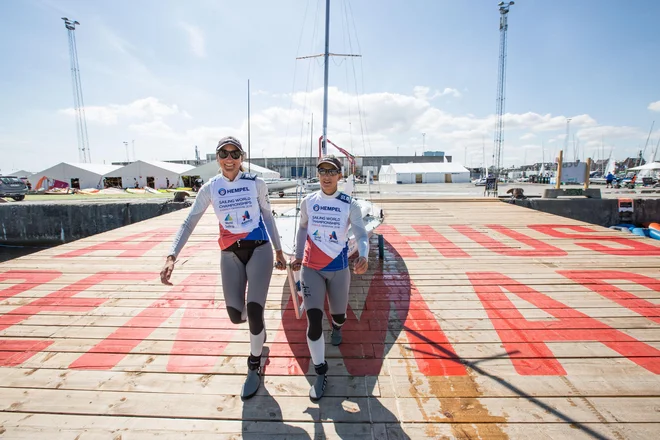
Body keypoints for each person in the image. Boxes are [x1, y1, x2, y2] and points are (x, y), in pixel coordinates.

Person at [160, 136, 287, 399]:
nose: (229, 159)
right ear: (217, 158)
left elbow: (268, 217)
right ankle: (258, 329)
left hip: (260, 248)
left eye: (235, 154)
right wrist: (172, 255)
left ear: (242, 157)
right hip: (230, 253)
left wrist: (278, 250)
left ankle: (254, 363)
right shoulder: (211, 187)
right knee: (235, 314)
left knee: (254, 307)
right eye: (224, 154)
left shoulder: (256, 183)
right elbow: (189, 222)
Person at [290, 155, 369, 401]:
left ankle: (337, 326)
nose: (326, 176)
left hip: (338, 269)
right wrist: (297, 254)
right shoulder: (308, 201)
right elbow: (303, 228)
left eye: (331, 171)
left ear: (339, 176)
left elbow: (361, 235)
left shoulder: (350, 204)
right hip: (311, 269)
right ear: (318, 174)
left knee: (338, 314)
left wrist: (363, 256)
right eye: (322, 170)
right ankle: (321, 372)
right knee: (313, 321)